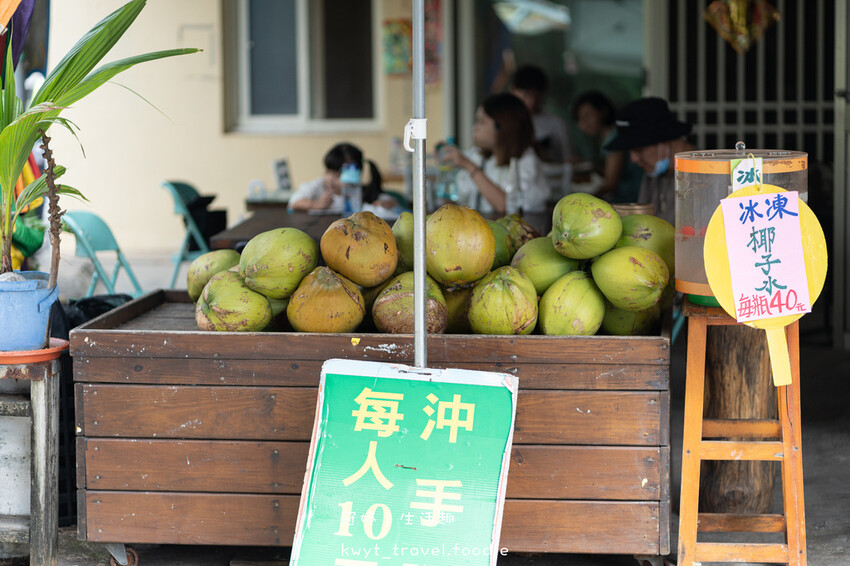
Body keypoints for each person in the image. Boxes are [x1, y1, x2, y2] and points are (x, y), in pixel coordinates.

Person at [437, 92, 549, 216]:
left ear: (502, 126)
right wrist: (446, 170)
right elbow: (454, 202)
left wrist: (469, 166)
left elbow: (506, 206)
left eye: (481, 121)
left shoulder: (527, 161)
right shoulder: (480, 156)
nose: (475, 127)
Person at [604, 97, 694, 224]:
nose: (633, 159)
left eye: (639, 149)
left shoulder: (703, 178)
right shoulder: (651, 173)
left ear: (665, 141)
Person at [572, 90, 643, 203]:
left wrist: (583, 203)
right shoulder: (609, 136)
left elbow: (611, 184)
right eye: (580, 120)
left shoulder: (614, 138)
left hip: (630, 200)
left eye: (587, 116)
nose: (583, 124)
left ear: (603, 111)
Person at [288, 142, 386, 212]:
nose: (330, 178)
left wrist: (382, 205)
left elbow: (389, 201)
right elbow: (294, 202)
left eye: (337, 175)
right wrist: (316, 204)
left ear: (355, 175)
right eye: (328, 172)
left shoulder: (361, 192)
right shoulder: (319, 186)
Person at [509, 64, 572, 165]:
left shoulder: (556, 124)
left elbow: (568, 160)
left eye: (537, 97)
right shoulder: (505, 120)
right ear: (513, 91)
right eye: (526, 95)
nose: (531, 102)